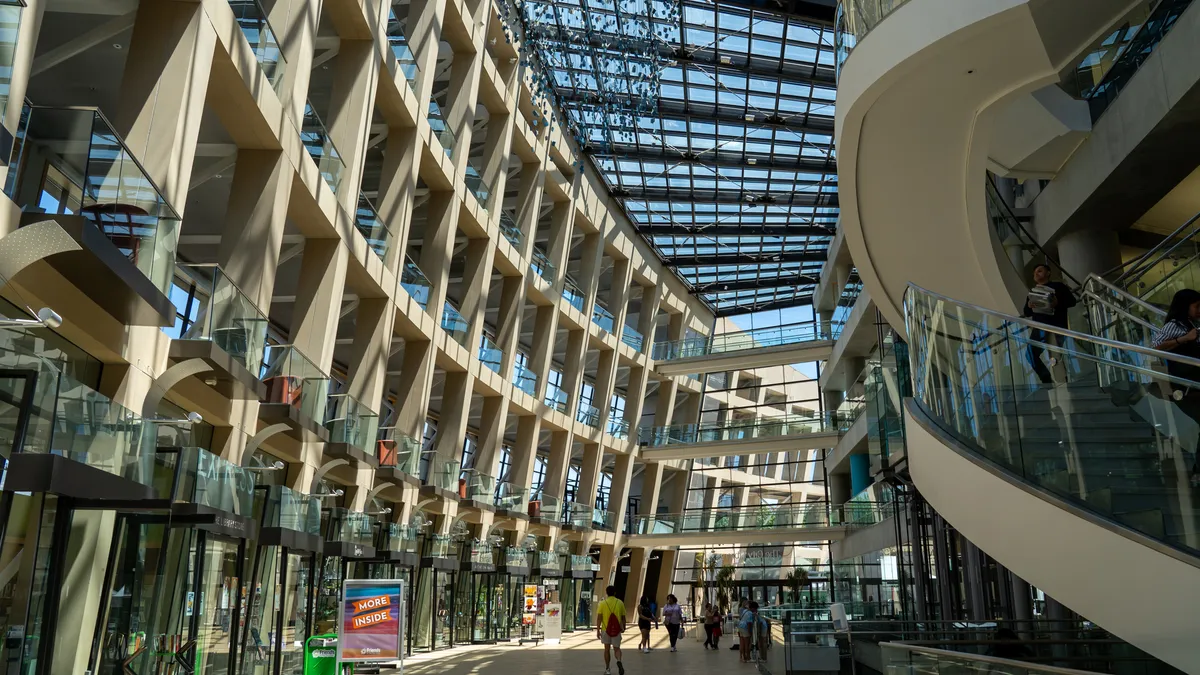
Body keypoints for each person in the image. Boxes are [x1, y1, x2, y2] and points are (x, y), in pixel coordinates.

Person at [1152, 288, 1200, 482]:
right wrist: (1184, 339)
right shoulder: (1175, 325)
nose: (1199, 310)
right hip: (1186, 386)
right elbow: (1155, 346)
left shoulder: (1192, 324)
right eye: (1196, 306)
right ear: (1185, 306)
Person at [1022, 263, 1076, 385]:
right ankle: (1047, 380)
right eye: (1035, 272)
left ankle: (1063, 382)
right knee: (1030, 354)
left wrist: (1057, 303)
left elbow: (1072, 301)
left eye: (1040, 271)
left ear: (1048, 273)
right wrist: (1030, 306)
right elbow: (1026, 312)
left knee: (1056, 356)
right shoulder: (1033, 291)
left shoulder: (1059, 286)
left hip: (1055, 326)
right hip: (1039, 327)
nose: (1036, 274)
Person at [596, 585, 626, 675]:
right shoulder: (620, 603)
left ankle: (608, 668)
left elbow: (599, 618)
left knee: (607, 649)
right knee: (617, 648)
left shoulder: (602, 603)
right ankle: (619, 660)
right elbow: (623, 617)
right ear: (615, 593)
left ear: (606, 593)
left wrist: (598, 630)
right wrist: (624, 627)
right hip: (616, 629)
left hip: (606, 629)